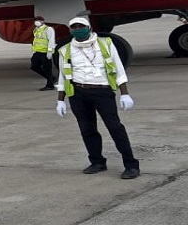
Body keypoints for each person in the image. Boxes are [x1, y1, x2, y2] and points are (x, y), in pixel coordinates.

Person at [54, 16, 140, 179]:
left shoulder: (105, 44)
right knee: (87, 129)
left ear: (89, 28)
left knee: (115, 127)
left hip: (102, 91)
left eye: (81, 26)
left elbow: (119, 69)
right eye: (74, 27)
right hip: (78, 93)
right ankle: (97, 162)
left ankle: (131, 165)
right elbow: (62, 77)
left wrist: (125, 93)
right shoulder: (65, 50)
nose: (78, 29)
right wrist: (60, 100)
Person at [29, 15, 56, 91]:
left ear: (43, 21)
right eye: (35, 21)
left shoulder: (48, 29)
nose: (36, 22)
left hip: (45, 52)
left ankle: (50, 85)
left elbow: (51, 40)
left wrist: (50, 51)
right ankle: (52, 78)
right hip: (37, 52)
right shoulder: (36, 29)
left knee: (47, 69)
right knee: (34, 66)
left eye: (38, 20)